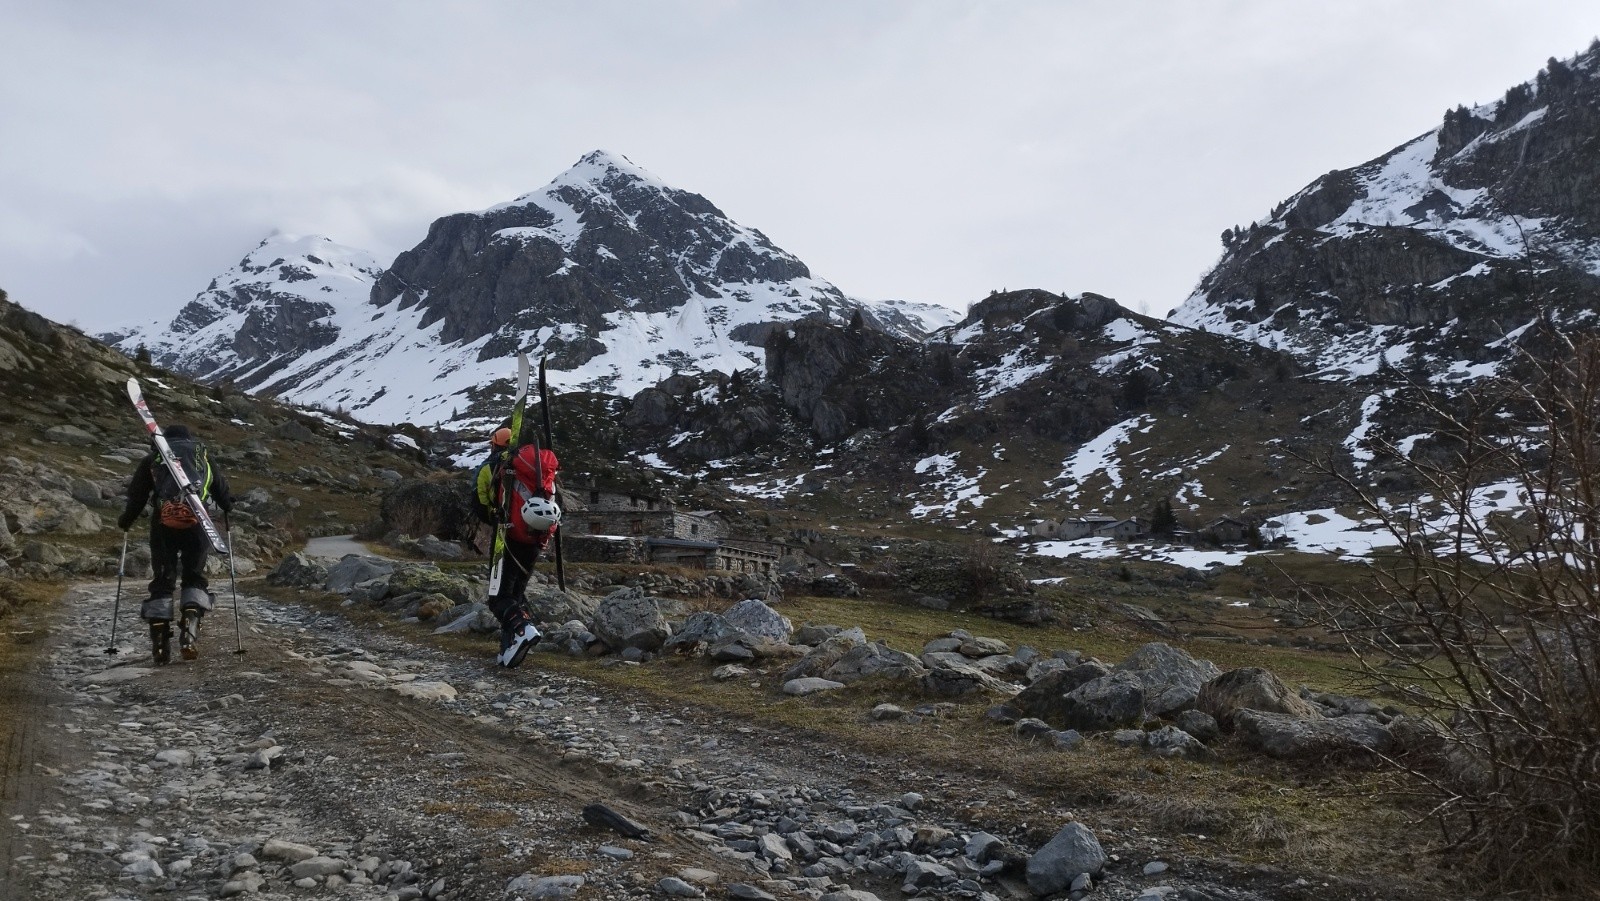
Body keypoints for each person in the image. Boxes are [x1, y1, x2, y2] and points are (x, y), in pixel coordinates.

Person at [116, 424, 233, 664]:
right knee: (194, 576)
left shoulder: (153, 459)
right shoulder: (201, 456)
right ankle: (190, 629)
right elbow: (221, 491)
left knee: (163, 579)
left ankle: (160, 644)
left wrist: (126, 521)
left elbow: (137, 496)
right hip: (197, 524)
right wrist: (228, 506)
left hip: (163, 525)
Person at [473, 423, 560, 668]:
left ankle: (523, 629)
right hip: (536, 538)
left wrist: (495, 518)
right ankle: (509, 646)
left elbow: (479, 503)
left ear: (495, 445)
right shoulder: (541, 468)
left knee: (498, 597)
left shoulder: (493, 466)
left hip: (507, 536)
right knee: (516, 594)